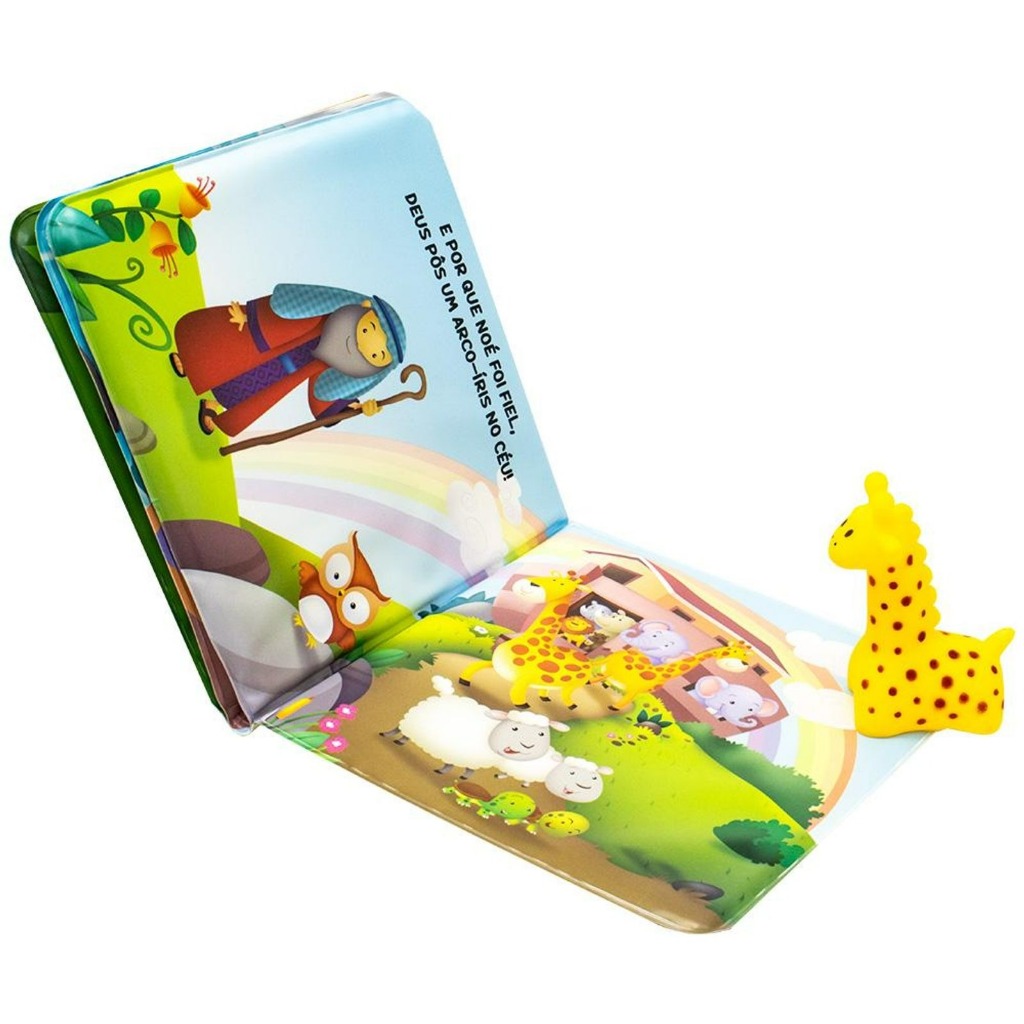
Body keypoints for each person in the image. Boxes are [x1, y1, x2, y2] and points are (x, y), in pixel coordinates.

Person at [170, 283, 406, 436]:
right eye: (366, 330)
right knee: (227, 350)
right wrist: (250, 316)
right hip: (267, 341)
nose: (362, 347)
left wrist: (353, 407)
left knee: (247, 390)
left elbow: (325, 392)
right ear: (364, 308)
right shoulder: (320, 313)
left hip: (283, 374)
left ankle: (213, 404)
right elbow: (287, 308)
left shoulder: (335, 364)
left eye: (375, 356)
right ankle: (191, 362)